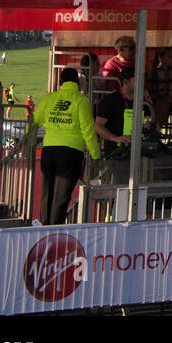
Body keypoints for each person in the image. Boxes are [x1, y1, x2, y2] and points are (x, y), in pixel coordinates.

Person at [27, 67, 101, 225]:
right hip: (71, 152)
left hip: (49, 150)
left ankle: (44, 228)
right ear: (78, 82)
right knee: (61, 196)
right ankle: (54, 230)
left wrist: (32, 143)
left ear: (60, 82)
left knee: (47, 193)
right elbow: (88, 130)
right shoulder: (81, 101)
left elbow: (33, 121)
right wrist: (95, 155)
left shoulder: (49, 98)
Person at [146, 46, 172, 129]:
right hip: (159, 99)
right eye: (169, 57)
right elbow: (150, 90)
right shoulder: (154, 72)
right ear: (161, 58)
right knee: (162, 104)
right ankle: (157, 127)